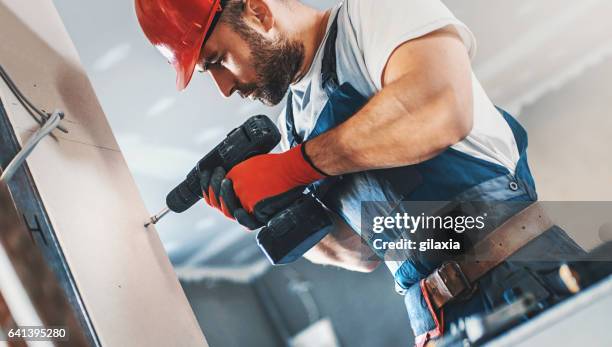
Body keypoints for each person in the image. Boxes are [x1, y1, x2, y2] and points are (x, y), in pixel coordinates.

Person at [135, 0, 589, 345]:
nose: (224, 86)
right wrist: (274, 214)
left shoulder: (372, 16)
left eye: (216, 61)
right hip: (436, 324)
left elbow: (440, 109)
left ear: (256, 11)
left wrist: (293, 168)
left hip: (523, 278)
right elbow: (365, 253)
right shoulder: (295, 127)